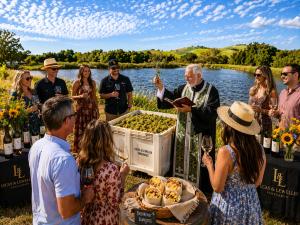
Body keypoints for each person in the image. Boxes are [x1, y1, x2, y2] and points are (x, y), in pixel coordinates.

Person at [153, 64, 220, 192]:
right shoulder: (183, 88)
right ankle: (179, 185)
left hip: (201, 136)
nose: (186, 80)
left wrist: (191, 109)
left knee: (201, 169)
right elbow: (170, 98)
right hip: (182, 135)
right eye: (185, 76)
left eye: (189, 77)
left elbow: (212, 113)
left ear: (199, 75)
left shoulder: (212, 91)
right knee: (180, 164)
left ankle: (201, 190)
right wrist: (161, 88)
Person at [28, 96, 94, 225]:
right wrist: (85, 198)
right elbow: (66, 211)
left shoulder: (37, 146)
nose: (76, 118)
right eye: (74, 114)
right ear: (66, 121)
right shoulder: (63, 160)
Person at [202, 101, 266, 225]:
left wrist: (209, 165)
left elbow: (217, 187)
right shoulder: (260, 149)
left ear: (229, 126)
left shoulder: (226, 152)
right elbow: (257, 182)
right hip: (251, 204)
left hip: (229, 208)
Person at [78, 119, 130, 225]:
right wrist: (122, 176)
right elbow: (115, 201)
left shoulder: (80, 162)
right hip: (105, 219)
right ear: (107, 141)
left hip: (86, 216)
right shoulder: (111, 169)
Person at [72, 65, 99, 153]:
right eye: (85, 71)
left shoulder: (93, 83)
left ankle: (91, 150)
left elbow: (94, 97)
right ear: (81, 72)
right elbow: (72, 97)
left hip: (91, 110)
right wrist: (80, 96)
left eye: (88, 71)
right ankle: (81, 151)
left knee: (91, 130)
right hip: (81, 111)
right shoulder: (76, 83)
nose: (87, 73)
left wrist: (97, 109)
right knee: (82, 131)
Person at [248, 65, 278, 139]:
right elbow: (249, 105)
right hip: (251, 122)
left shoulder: (271, 92)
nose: (256, 77)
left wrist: (261, 110)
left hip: (264, 125)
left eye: (258, 75)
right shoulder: (253, 89)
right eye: (255, 74)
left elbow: (273, 112)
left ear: (266, 76)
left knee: (262, 148)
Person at [270, 64, 300, 128]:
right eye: (281, 74)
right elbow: (280, 112)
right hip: (280, 134)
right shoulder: (282, 93)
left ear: (295, 75)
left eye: (285, 74)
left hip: (295, 136)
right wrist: (275, 113)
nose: (282, 76)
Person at [11, 70, 40, 135]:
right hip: (23, 128)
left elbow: (38, 105)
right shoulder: (15, 94)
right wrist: (29, 110)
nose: (30, 80)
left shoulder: (33, 92)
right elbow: (12, 114)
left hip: (36, 125)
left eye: (31, 77)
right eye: (27, 78)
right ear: (20, 80)